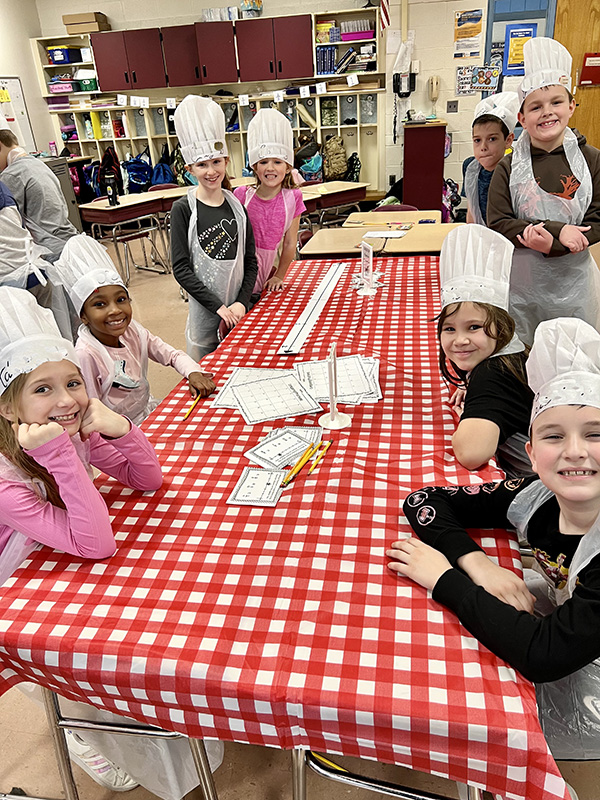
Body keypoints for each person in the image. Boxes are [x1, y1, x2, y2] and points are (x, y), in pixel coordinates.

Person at [0, 285, 224, 798]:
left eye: (73, 382)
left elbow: (147, 481)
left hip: (64, 548)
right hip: (18, 580)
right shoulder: (8, 478)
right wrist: (60, 457)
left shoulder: (72, 427)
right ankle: (75, 725)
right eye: (42, 389)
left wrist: (121, 428)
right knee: (63, 663)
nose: (66, 400)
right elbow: (97, 542)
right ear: (9, 410)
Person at [389, 317, 600, 766]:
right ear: (530, 453)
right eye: (554, 435)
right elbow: (424, 500)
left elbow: (543, 655)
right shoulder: (536, 495)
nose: (576, 451)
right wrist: (476, 563)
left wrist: (445, 578)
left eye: (595, 433)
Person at [487, 37, 600, 345]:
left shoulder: (592, 159)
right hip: (524, 287)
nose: (547, 113)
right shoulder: (507, 168)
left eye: (556, 103)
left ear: (572, 106)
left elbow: (599, 215)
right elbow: (498, 222)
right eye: (535, 107)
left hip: (576, 286)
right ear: (522, 118)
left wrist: (564, 243)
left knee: (575, 353)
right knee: (524, 355)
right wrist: (556, 231)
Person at [47, 234, 215, 425]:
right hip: (116, 433)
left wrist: (192, 371)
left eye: (121, 299)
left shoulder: (133, 331)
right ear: (83, 316)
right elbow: (91, 413)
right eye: (100, 304)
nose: (115, 310)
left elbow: (171, 355)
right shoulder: (87, 354)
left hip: (146, 412)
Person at [438, 224, 533, 475]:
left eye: (474, 327)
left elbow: (472, 454)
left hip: (543, 487)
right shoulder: (512, 353)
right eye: (449, 329)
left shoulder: (492, 375)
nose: (460, 340)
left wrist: (466, 415)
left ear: (501, 328)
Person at [170, 95, 258, 360]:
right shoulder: (183, 209)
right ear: (189, 169)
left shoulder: (237, 207)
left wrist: (241, 302)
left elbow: (249, 260)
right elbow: (182, 269)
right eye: (202, 165)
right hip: (206, 313)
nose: (211, 171)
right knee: (207, 367)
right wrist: (219, 307)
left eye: (216, 162)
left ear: (226, 161)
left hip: (239, 310)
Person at [233, 108, 306, 294]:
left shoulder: (293, 198)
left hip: (265, 271)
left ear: (288, 167)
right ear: (255, 167)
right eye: (264, 162)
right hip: (237, 270)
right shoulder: (241, 195)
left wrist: (279, 275)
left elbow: (290, 243)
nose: (270, 168)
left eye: (278, 162)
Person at [0, 113, 78, 261]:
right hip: (68, 243)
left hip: (49, 250)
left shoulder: (11, 176)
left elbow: (10, 226)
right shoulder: (37, 164)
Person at [463, 92, 519, 226]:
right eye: (477, 140)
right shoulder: (470, 167)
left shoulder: (514, 171)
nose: (483, 147)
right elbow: (472, 209)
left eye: (492, 139)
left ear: (508, 140)